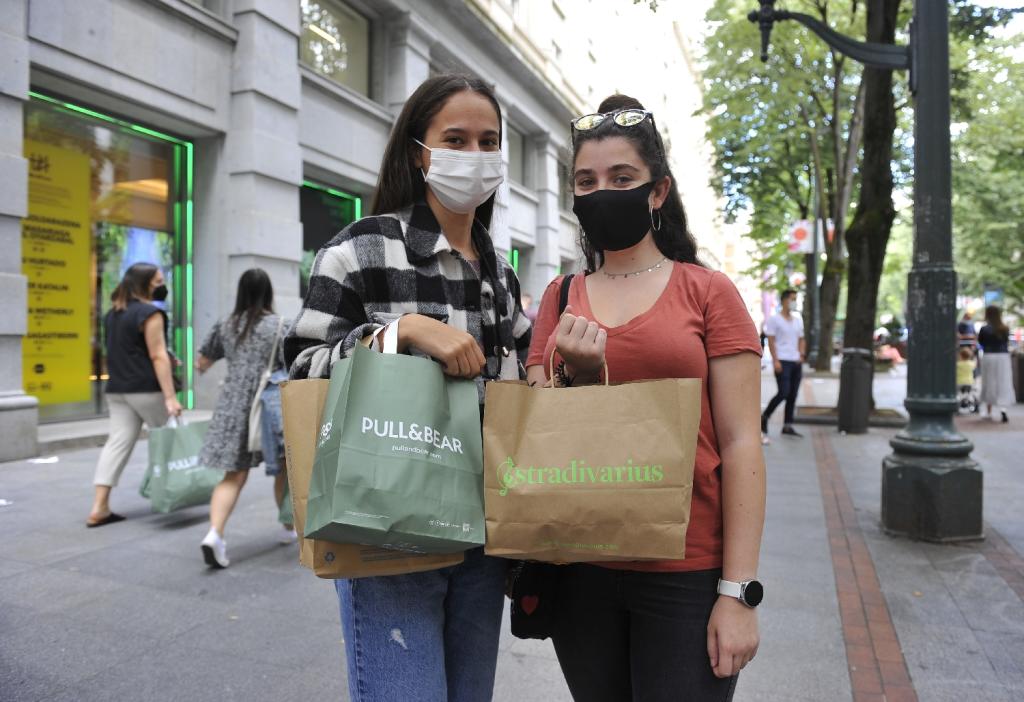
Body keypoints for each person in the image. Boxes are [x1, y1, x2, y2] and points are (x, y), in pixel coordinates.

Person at [284, 74, 532, 701]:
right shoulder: (361, 249)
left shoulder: (501, 273)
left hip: (483, 533)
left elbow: (525, 389)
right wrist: (399, 333)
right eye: (455, 139)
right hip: (387, 523)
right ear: (419, 152)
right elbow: (302, 369)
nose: (474, 155)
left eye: (488, 142)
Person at [526, 94, 765, 701]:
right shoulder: (559, 297)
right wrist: (579, 378)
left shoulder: (708, 292)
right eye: (587, 181)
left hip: (688, 571)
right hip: (581, 566)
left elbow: (742, 444)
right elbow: (537, 434)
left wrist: (738, 593)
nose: (602, 192)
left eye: (621, 178)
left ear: (657, 192)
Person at [196, 268, 292, 568]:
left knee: (233, 475)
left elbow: (202, 362)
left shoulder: (226, 325)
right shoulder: (280, 326)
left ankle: (215, 533)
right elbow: (294, 364)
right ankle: (288, 526)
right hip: (270, 407)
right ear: (268, 292)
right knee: (284, 469)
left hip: (233, 408)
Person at [87, 263, 182, 527]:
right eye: (158, 281)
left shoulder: (112, 314)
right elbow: (157, 355)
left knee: (117, 444)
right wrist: (170, 397)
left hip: (118, 389)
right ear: (145, 284)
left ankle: (99, 506)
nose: (162, 285)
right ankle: (168, 492)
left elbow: (128, 349)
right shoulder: (151, 314)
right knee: (169, 439)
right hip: (147, 389)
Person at [760, 289, 806, 441]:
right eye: (792, 299)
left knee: (793, 394)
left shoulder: (797, 319)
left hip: (795, 361)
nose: (794, 302)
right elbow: (771, 341)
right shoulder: (774, 320)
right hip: (782, 361)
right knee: (784, 392)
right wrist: (775, 360)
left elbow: (801, 339)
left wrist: (801, 354)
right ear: (784, 300)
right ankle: (765, 416)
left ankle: (787, 425)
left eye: (795, 299)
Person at [977, 304, 1013, 423]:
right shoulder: (1005, 328)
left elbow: (981, 342)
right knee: (1003, 382)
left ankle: (989, 411)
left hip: (989, 356)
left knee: (989, 382)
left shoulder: (984, 329)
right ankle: (1003, 410)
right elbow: (1006, 341)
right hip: (1003, 357)